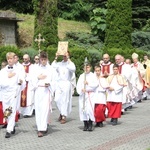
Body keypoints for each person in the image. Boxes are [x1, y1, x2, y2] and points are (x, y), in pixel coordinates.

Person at [0, 52, 25, 138]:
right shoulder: (3, 71)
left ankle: (9, 130)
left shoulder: (18, 70)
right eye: (8, 59)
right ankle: (12, 125)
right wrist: (8, 77)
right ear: (7, 60)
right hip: (5, 93)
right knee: (5, 111)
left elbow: (22, 80)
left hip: (14, 93)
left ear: (14, 59)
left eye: (11, 58)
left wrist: (21, 81)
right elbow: (1, 83)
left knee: (12, 110)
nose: (10, 60)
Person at [31, 51, 54, 137]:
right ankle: (39, 126)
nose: (43, 61)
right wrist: (38, 77)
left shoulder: (50, 69)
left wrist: (50, 84)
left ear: (47, 59)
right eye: (42, 59)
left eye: (45, 59)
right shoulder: (35, 68)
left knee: (45, 110)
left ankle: (42, 129)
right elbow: (32, 80)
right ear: (40, 59)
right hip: (38, 90)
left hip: (46, 91)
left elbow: (55, 80)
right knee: (38, 109)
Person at [51, 51, 76, 124]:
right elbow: (52, 66)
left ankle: (64, 116)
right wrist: (56, 57)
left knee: (65, 100)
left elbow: (73, 69)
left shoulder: (70, 64)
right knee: (57, 99)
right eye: (64, 55)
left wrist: (68, 59)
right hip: (59, 83)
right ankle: (62, 112)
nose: (64, 57)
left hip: (66, 83)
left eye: (66, 55)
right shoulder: (59, 64)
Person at [76, 63, 98, 131]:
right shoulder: (82, 76)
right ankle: (85, 124)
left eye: (88, 67)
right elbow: (78, 85)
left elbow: (96, 84)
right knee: (83, 110)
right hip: (83, 94)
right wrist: (81, 90)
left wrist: (88, 84)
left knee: (90, 110)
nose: (86, 69)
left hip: (90, 95)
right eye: (85, 67)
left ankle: (90, 123)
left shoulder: (93, 75)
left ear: (90, 67)